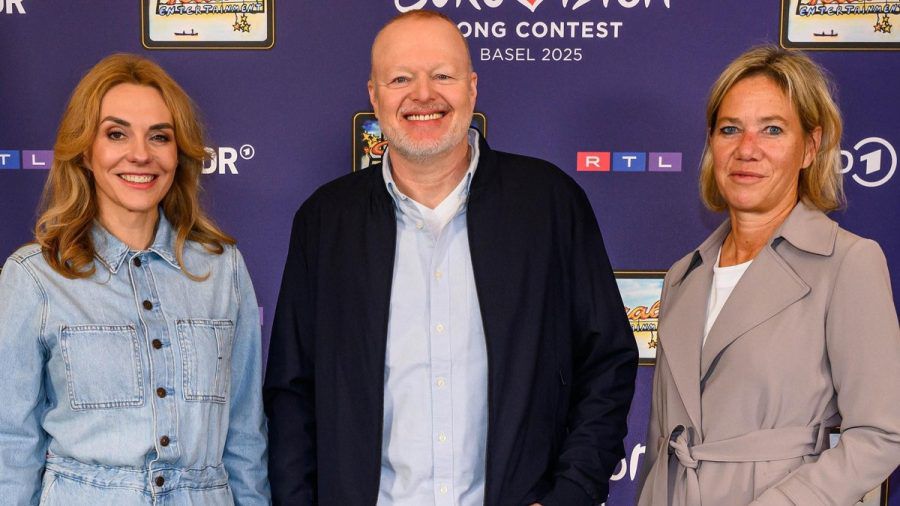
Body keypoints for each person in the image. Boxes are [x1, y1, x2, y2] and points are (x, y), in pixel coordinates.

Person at [263, 10, 638, 506]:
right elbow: (292, 393)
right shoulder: (324, 221)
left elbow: (606, 362)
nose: (423, 95)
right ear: (375, 95)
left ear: (472, 88)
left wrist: (570, 495)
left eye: (442, 75)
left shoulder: (548, 203)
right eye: (401, 79)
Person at [0, 54, 270, 504]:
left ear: (177, 152)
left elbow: (244, 436)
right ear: (85, 151)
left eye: (159, 137)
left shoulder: (223, 269)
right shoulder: (34, 277)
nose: (140, 154)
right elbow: (11, 441)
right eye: (117, 133)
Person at [637, 45, 900, 505]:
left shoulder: (847, 263)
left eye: (772, 130)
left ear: (810, 147)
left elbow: (882, 433)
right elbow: (662, 440)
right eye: (730, 129)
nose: (747, 150)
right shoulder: (683, 275)